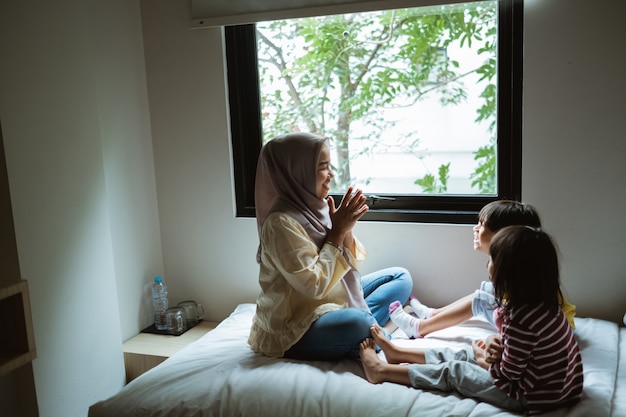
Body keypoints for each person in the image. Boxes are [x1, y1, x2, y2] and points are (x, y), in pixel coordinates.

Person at [360, 225, 584, 414]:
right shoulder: (542, 307)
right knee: (466, 352)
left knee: (455, 371)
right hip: (554, 387)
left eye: (493, 258)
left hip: (529, 396)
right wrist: (496, 343)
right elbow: (527, 349)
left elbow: (508, 377)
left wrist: (485, 356)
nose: (488, 263)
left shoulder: (522, 319)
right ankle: (399, 353)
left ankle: (382, 371)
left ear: (510, 273)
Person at [248, 132, 413, 360]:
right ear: (298, 172)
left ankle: (364, 332)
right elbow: (314, 285)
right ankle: (379, 336)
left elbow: (351, 263)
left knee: (400, 278)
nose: (331, 174)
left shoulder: (315, 206)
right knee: (359, 321)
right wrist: (337, 232)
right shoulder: (280, 223)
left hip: (331, 303)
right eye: (322, 167)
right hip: (297, 326)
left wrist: (345, 229)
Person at [388, 200, 576, 338]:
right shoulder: (513, 267)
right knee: (487, 291)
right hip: (533, 321)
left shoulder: (517, 274)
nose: (475, 229)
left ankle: (421, 328)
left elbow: (521, 315)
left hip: (542, 330)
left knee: (481, 299)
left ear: (503, 235)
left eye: (482, 225)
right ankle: (433, 314)